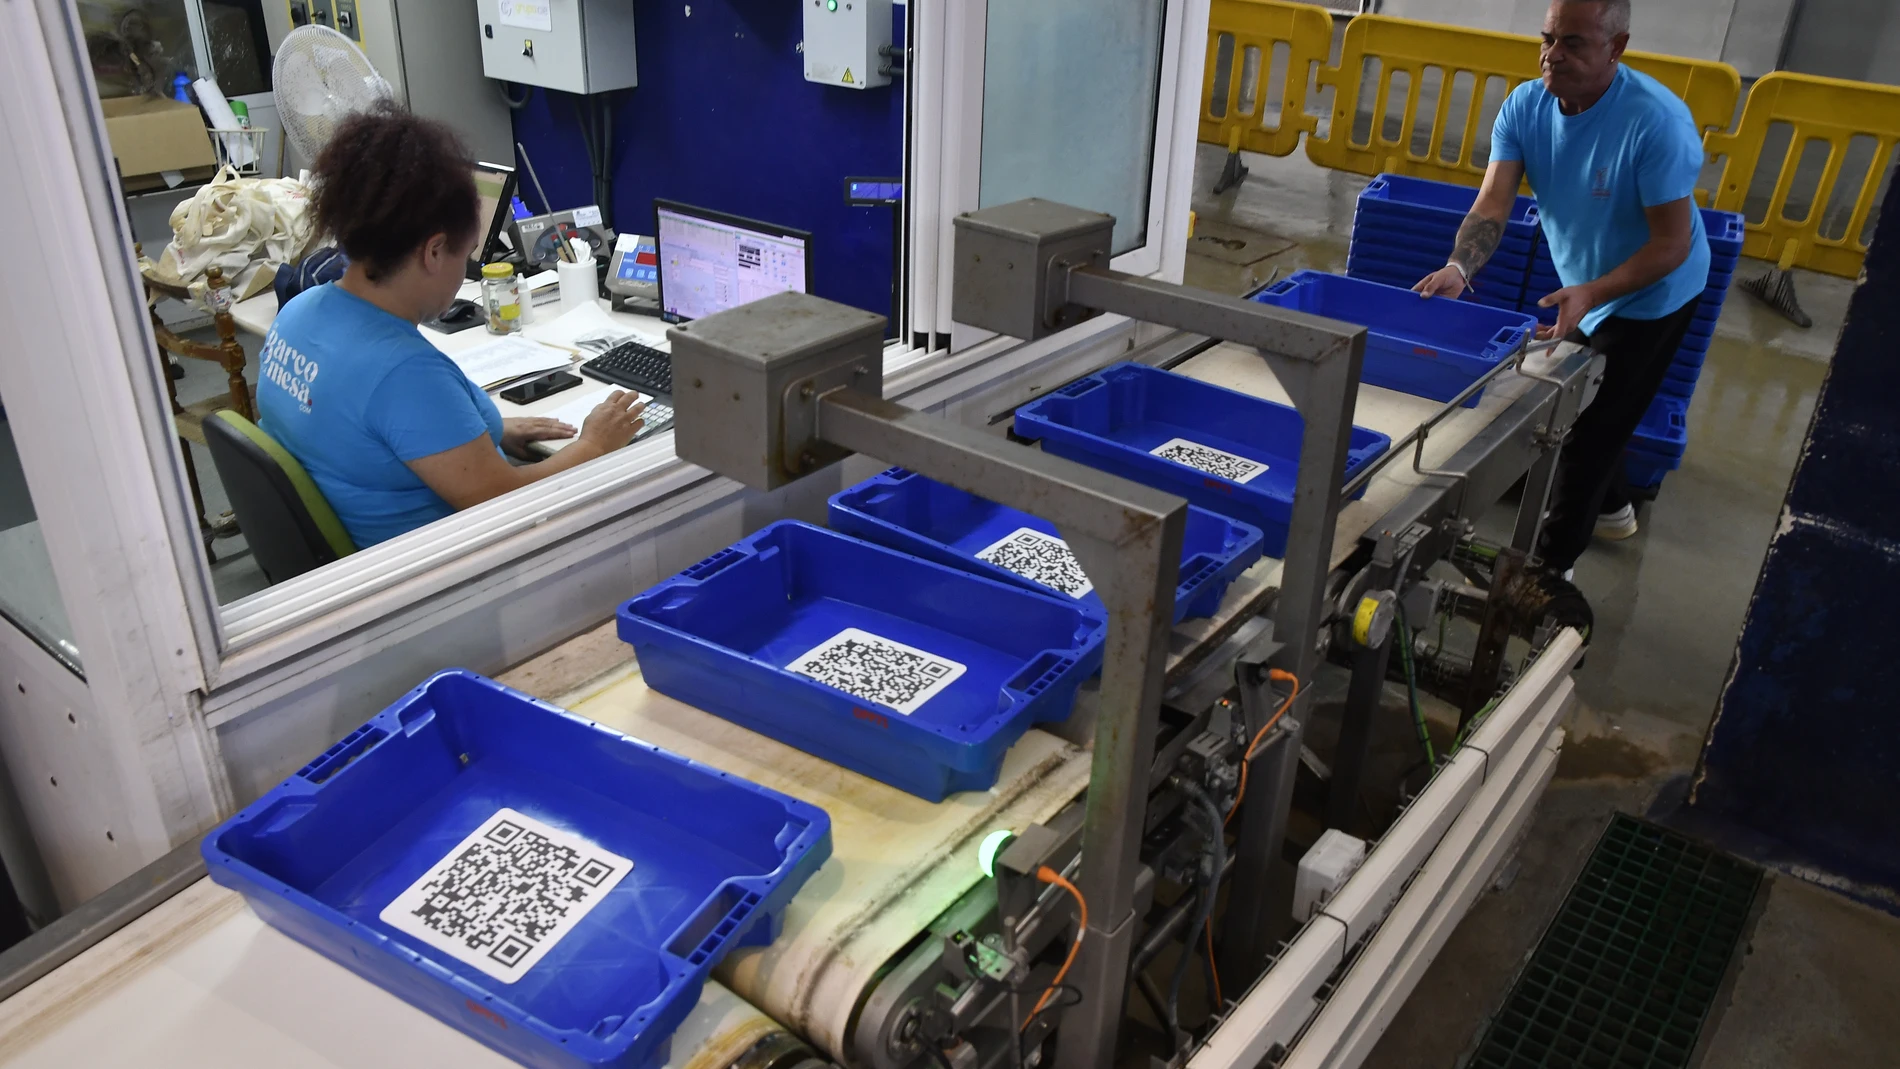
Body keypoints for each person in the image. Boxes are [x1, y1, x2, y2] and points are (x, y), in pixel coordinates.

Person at [256, 104, 646, 548]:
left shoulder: (300, 312)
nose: (466, 272)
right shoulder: (402, 374)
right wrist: (594, 444)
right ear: (434, 251)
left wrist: (484, 434)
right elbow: (507, 502)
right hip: (437, 572)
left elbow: (365, 431)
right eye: (467, 255)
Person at [1414, 0, 1709, 577]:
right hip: (1586, 282)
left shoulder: (1656, 123)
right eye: (1547, 39)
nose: (1553, 55)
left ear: (1616, 47)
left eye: (1573, 43)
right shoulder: (1525, 106)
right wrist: (1460, 267)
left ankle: (1547, 574)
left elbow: (1670, 244)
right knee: (1593, 408)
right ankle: (1617, 507)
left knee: (1587, 435)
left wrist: (1594, 293)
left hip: (1654, 292)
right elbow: (1493, 202)